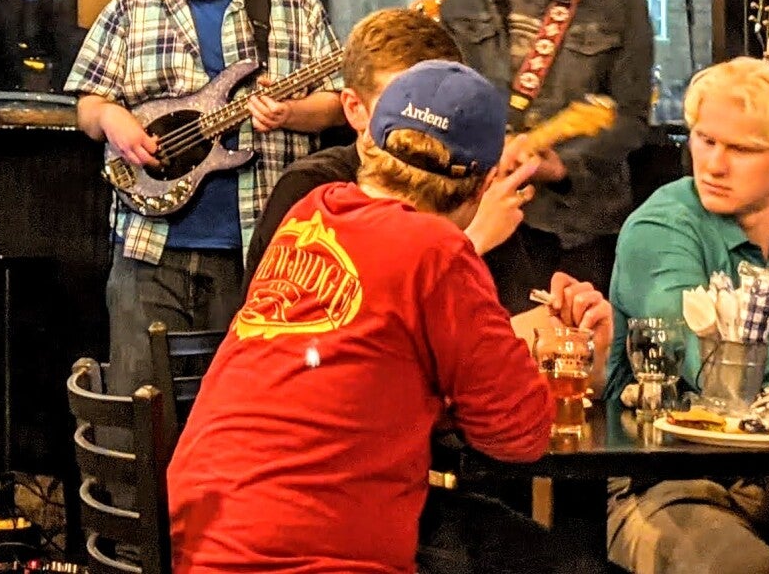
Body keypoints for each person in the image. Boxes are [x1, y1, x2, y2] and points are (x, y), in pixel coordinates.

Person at [168, 61, 570, 574]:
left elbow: (350, 372)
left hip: (197, 542)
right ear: (485, 183)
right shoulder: (437, 251)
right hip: (308, 559)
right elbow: (519, 434)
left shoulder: (312, 212)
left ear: (371, 145)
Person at [67, 0, 345, 401]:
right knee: (141, 416)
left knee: (246, 415)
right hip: (149, 251)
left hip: (261, 252)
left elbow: (337, 105)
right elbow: (89, 104)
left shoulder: (291, 3)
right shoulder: (132, 7)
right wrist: (111, 119)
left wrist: (289, 113)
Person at [607, 57, 769, 574]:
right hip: (671, 479)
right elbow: (711, 363)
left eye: (742, 149)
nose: (713, 164)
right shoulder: (661, 226)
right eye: (705, 140)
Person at [440, 0, 654, 293]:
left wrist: (561, 165)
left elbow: (632, 120)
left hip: (576, 233)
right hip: (479, 221)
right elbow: (443, 94)